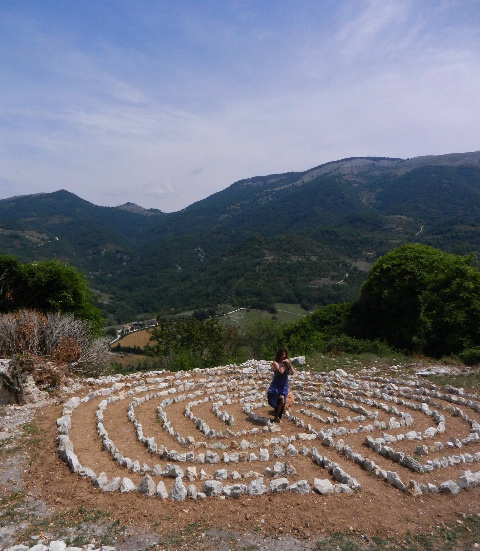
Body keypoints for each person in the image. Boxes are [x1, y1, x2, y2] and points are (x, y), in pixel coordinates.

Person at [267, 348, 294, 423]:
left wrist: (289, 364)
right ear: (279, 355)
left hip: (284, 384)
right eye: (282, 354)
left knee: (282, 401)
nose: (284, 356)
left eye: (285, 354)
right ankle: (276, 410)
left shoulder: (287, 364)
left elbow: (292, 372)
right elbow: (281, 371)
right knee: (275, 396)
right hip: (276, 384)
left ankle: (277, 416)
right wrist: (283, 364)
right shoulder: (275, 363)